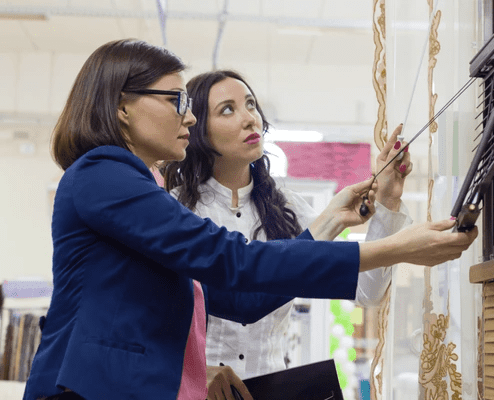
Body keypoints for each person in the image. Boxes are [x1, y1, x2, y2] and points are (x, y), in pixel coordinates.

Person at [24, 38, 477, 400]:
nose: (188, 113)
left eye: (250, 105)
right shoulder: (104, 175)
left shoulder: (150, 189)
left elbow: (241, 298)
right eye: (176, 100)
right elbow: (233, 261)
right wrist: (396, 247)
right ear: (122, 107)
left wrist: (350, 223)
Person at [161, 70, 416, 396]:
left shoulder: (288, 210)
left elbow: (368, 291)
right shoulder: (174, 210)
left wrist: (388, 201)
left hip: (273, 388)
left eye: (250, 104)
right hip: (196, 391)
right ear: (200, 131)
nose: (249, 119)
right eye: (228, 109)